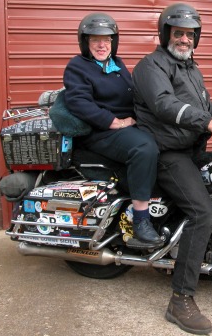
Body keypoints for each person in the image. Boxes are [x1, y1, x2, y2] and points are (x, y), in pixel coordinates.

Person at [132, 3, 212, 335]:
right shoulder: (151, 66)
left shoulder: (190, 68)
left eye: (190, 34)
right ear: (166, 33)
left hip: (191, 149)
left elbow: (206, 105)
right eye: (178, 33)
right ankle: (180, 299)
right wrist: (211, 123)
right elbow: (166, 105)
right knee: (201, 212)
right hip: (168, 151)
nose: (184, 39)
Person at [63, 13, 162, 248]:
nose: (101, 45)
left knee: (166, 140)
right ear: (85, 42)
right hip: (99, 133)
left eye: (106, 39)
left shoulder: (117, 65)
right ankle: (141, 220)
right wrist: (113, 122)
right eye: (95, 39)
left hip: (124, 129)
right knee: (144, 147)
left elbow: (135, 95)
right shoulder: (78, 67)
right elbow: (78, 102)